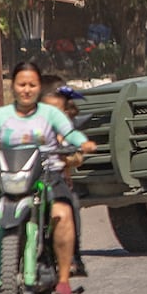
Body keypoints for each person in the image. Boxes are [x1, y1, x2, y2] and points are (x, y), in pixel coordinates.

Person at [0, 61, 95, 294]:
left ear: (39, 87)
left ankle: (62, 281)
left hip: (48, 178)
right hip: (11, 179)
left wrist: (82, 143)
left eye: (32, 85)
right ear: (13, 87)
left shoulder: (50, 114)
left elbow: (70, 133)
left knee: (62, 213)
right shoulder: (1, 116)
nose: (26, 89)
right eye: (21, 84)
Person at [40, 77, 91, 278]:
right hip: (25, 180)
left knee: (71, 205)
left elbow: (77, 155)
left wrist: (66, 155)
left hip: (55, 181)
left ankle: (73, 256)